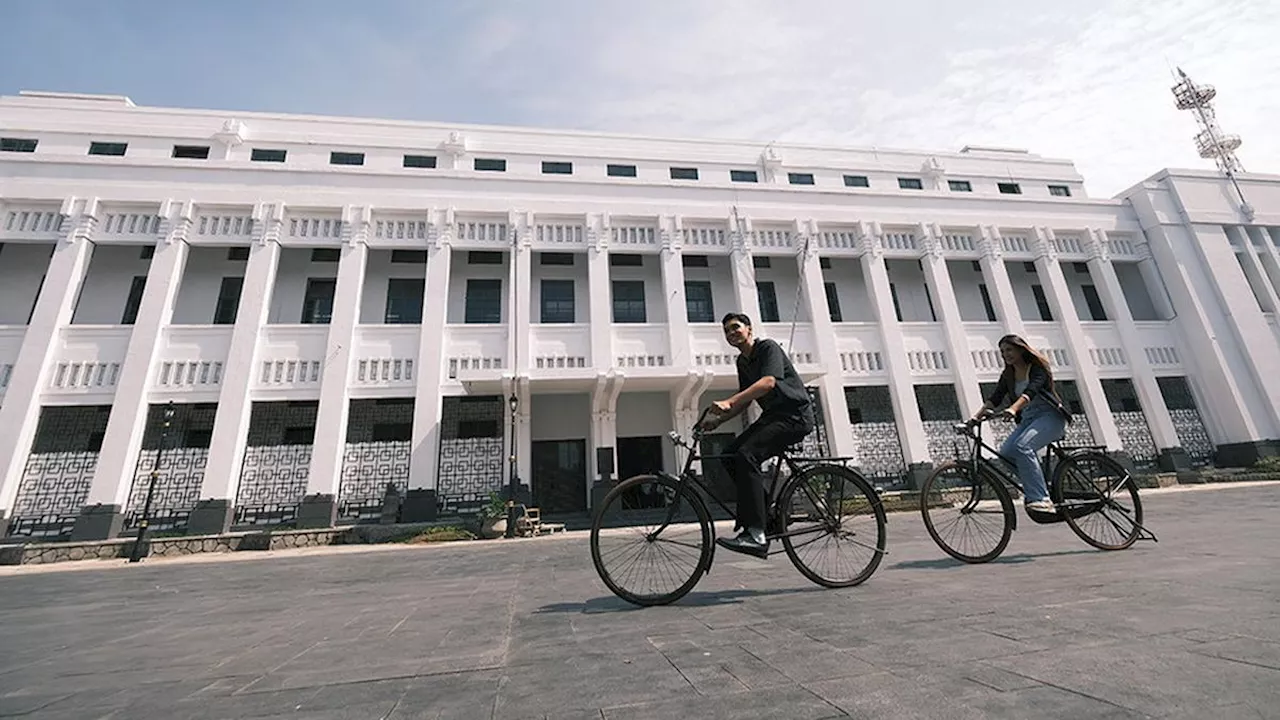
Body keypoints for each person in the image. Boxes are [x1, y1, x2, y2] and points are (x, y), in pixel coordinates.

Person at [700, 313, 815, 558]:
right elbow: (746, 400)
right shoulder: (742, 362)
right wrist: (718, 421)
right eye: (727, 331)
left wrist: (728, 401)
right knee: (729, 455)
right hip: (773, 417)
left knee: (746, 454)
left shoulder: (767, 348)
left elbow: (768, 382)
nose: (731, 334)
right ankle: (768, 518)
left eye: (735, 328)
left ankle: (756, 533)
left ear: (749, 329)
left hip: (794, 416)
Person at [969, 334, 1073, 512]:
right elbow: (995, 397)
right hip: (1029, 419)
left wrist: (1013, 408)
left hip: (1050, 417)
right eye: (1002, 352)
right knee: (1007, 452)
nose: (1005, 354)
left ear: (1020, 349)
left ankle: (1042, 499)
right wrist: (974, 419)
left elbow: (1030, 391)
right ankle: (1037, 486)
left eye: (1009, 350)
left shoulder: (1037, 368)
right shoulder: (1008, 374)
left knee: (1022, 447)